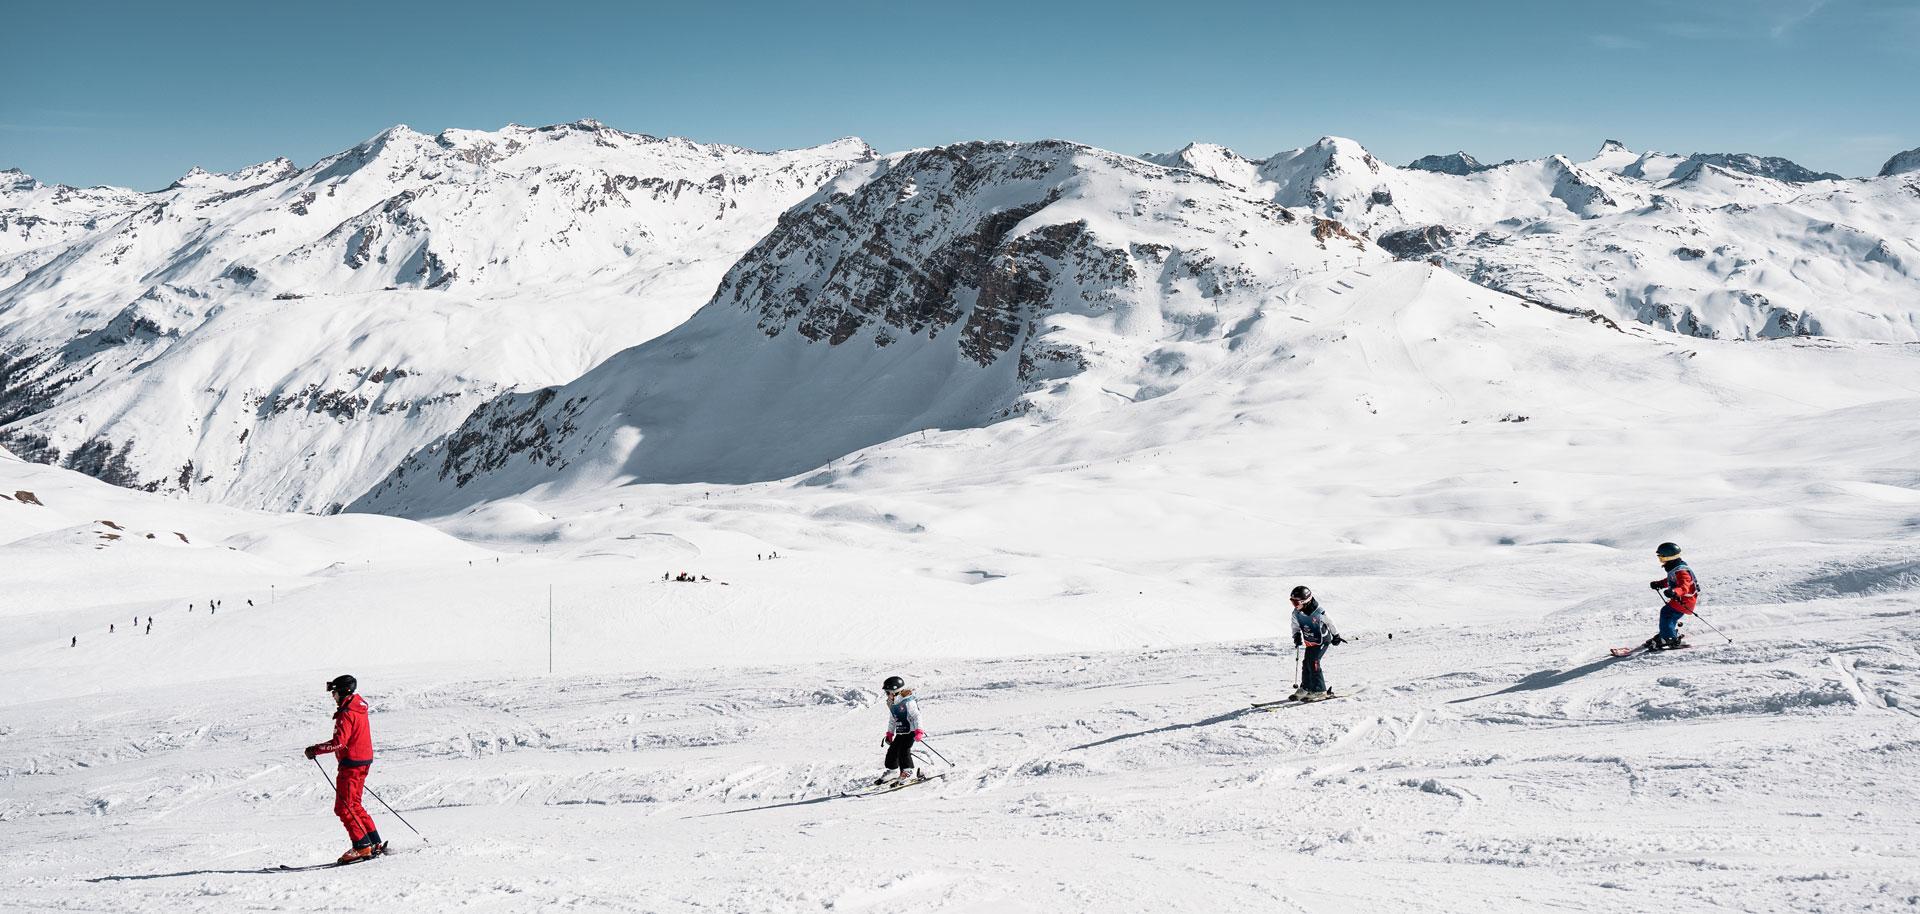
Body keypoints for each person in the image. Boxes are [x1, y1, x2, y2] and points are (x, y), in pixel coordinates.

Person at [305, 675, 385, 863]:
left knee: (343, 807)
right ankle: (373, 842)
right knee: (354, 804)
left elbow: (339, 743)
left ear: (342, 692)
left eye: (334, 692)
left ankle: (362, 846)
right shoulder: (358, 707)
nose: (332, 696)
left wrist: (314, 750)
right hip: (361, 761)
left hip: (352, 764)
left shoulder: (347, 712)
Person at [1289, 586, 1345, 701]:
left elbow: (1330, 622)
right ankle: (1306, 688)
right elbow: (1295, 626)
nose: (1294, 605)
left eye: (1296, 602)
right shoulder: (1296, 613)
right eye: (1292, 602)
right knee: (1306, 663)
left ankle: (1320, 690)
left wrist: (1336, 635)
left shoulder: (1319, 611)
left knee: (1313, 662)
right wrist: (1296, 635)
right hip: (1310, 642)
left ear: (1305, 601)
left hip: (1322, 640)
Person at [1643, 542, 1699, 651]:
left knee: (1667, 613)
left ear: (1669, 557)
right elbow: (1671, 580)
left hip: (1685, 600)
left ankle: (1669, 638)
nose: (1661, 561)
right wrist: (1659, 584)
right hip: (1681, 599)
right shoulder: (1676, 569)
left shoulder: (1682, 571)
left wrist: (1674, 592)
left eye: (1662, 558)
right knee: (1669, 615)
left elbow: (1684, 586)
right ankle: (1667, 633)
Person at [877, 676, 927, 785]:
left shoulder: (908, 702)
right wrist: (890, 733)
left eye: (888, 692)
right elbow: (893, 720)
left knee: (904, 750)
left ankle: (908, 772)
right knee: (892, 751)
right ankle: (893, 771)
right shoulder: (892, 703)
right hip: (900, 732)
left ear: (895, 692)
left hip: (911, 732)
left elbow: (917, 716)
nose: (887, 695)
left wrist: (919, 730)